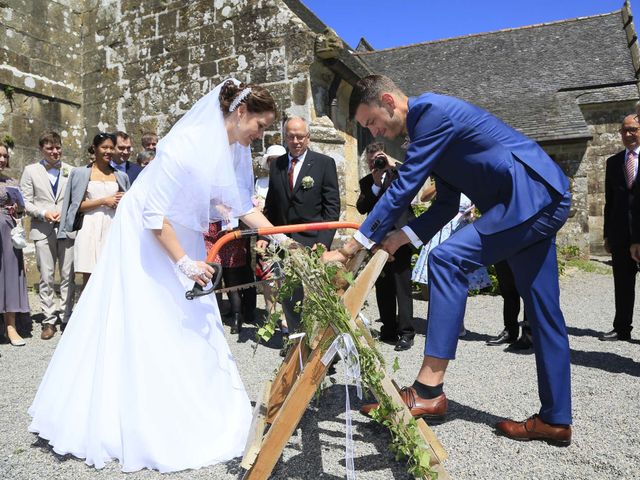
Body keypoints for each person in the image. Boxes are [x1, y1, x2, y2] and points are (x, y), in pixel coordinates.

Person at [28, 79, 281, 472]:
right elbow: (151, 214)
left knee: (190, 320)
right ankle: (146, 420)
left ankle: (196, 406)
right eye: (260, 126)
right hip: (149, 242)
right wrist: (183, 263)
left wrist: (284, 240)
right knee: (153, 319)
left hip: (182, 236)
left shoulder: (228, 150)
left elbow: (240, 205)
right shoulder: (188, 145)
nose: (260, 136)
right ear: (241, 113)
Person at [324, 75, 573, 446]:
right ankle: (555, 419)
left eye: (371, 121)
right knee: (543, 310)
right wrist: (399, 237)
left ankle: (428, 389)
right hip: (535, 202)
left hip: (526, 199)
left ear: (389, 101)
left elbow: (405, 185)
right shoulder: (426, 132)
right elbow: (444, 203)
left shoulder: (430, 113)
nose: (373, 130)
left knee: (445, 259)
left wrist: (351, 247)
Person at [262, 117, 340, 339]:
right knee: (289, 294)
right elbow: (272, 204)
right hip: (284, 243)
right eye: (291, 136)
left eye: (300, 136)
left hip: (313, 241)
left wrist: (323, 243)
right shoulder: (277, 165)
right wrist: (268, 238)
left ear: (308, 137)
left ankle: (320, 344)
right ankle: (296, 342)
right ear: (285, 137)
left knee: (316, 295)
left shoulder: (324, 163)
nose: (295, 141)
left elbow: (332, 207)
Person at [357, 142, 416, 351]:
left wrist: (394, 166)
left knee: (402, 286)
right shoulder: (366, 182)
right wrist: (374, 184)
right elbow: (361, 207)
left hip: (400, 237)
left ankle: (407, 333)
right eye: (372, 161)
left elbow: (409, 187)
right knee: (383, 287)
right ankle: (389, 329)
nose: (377, 164)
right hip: (377, 241)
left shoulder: (398, 175)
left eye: (379, 159)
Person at [412, 191, 492, 338]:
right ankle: (437, 323)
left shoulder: (470, 182)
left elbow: (475, 205)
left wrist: (472, 214)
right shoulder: (443, 181)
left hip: (462, 231)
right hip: (442, 229)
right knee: (436, 280)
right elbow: (424, 197)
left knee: (461, 280)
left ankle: (457, 323)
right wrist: (439, 184)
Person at [20, 131, 75, 340]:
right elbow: (26, 201)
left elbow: (76, 200)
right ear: (41, 149)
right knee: (46, 276)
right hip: (42, 228)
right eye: (50, 148)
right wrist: (44, 213)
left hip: (66, 228)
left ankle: (67, 317)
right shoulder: (30, 170)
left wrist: (65, 213)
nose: (55, 151)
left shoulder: (71, 170)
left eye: (58, 147)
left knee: (68, 274)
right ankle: (49, 319)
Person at [58, 133, 130, 286]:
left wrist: (123, 200)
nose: (108, 151)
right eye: (104, 147)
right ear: (95, 149)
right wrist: (104, 200)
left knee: (112, 274)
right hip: (89, 226)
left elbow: (129, 206)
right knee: (89, 277)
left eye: (111, 148)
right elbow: (76, 206)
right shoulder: (80, 173)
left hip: (112, 227)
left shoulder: (121, 176)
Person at [600, 115, 639, 342]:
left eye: (633, 130)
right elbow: (610, 201)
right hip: (620, 235)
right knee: (622, 284)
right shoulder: (613, 163)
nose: (628, 135)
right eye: (624, 131)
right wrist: (607, 235)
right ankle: (622, 328)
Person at [0, 142, 30, 346]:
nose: (2, 159)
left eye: (5, 156)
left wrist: (18, 208)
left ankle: (10, 327)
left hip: (7, 230)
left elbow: (20, 212)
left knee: (10, 275)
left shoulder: (11, 181)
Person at [254, 144, 286, 317]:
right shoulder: (260, 183)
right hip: (265, 236)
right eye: (272, 160)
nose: (274, 163)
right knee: (267, 276)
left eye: (278, 160)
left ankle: (286, 315)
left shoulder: (288, 181)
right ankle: (270, 311)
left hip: (284, 234)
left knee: (284, 276)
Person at [487, 260, 532, 350]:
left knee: (529, 291)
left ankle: (528, 335)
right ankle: (510, 331)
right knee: (507, 288)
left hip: (527, 248)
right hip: (502, 248)